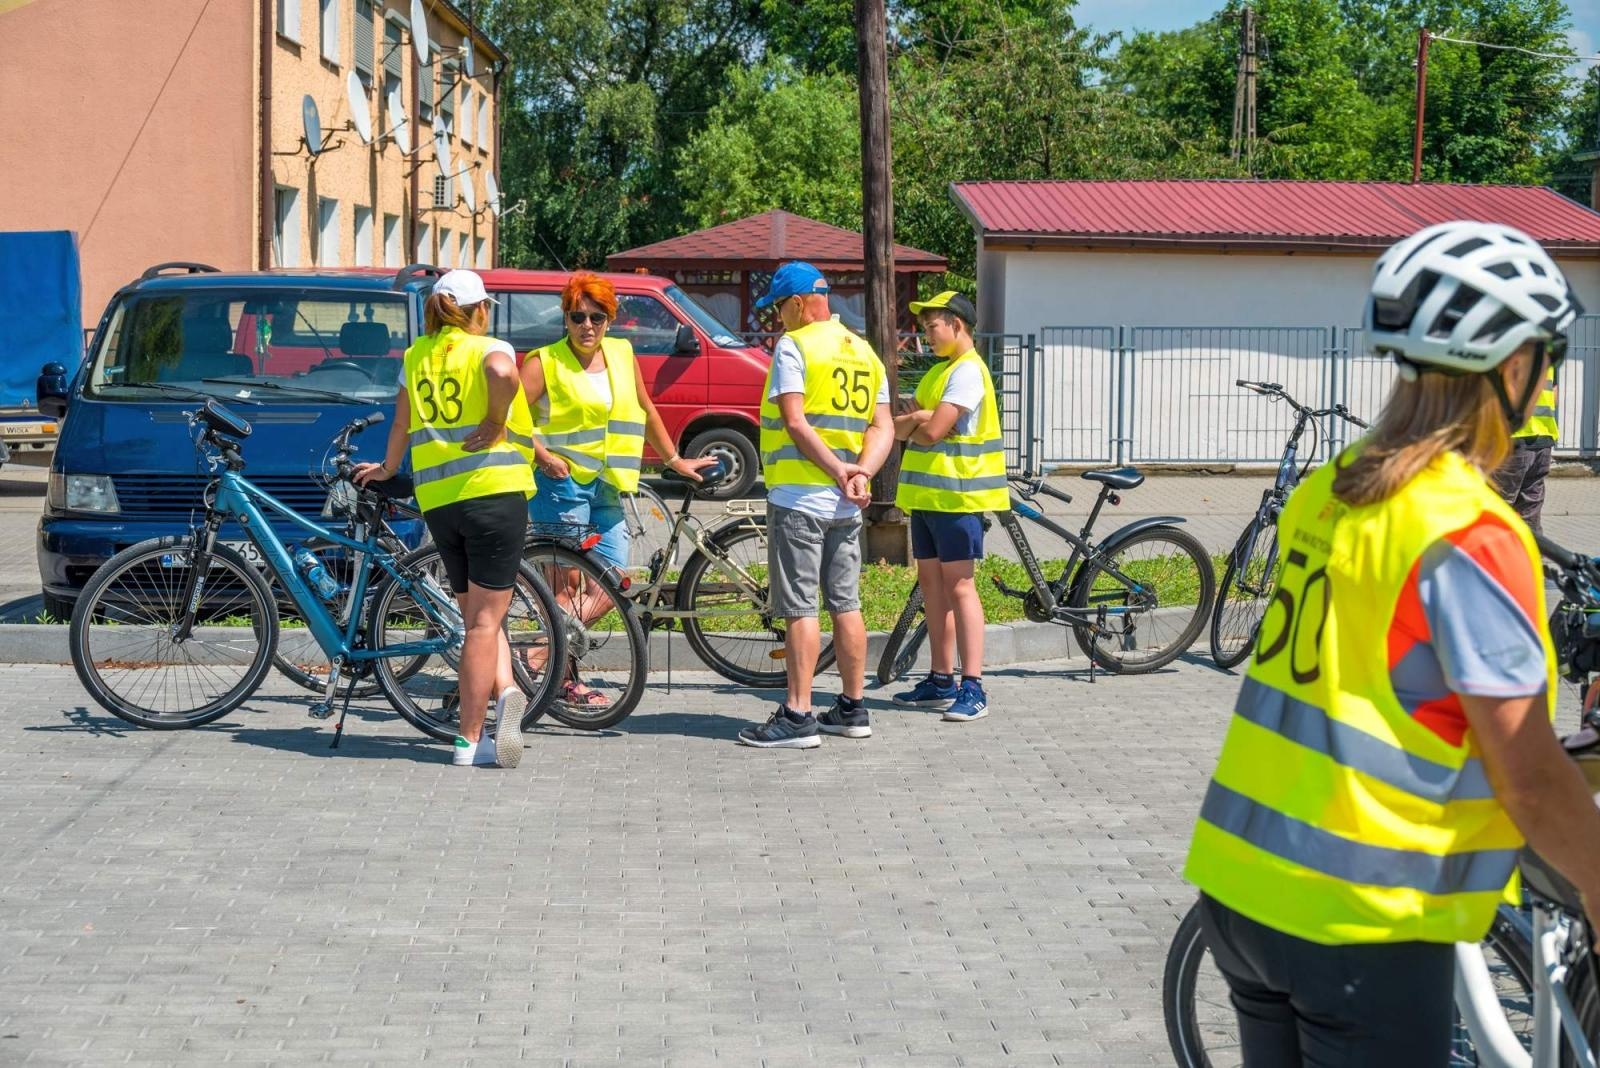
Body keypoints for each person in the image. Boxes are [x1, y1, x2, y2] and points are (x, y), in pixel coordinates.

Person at [1183, 220, 1600, 1065]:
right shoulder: (1467, 532)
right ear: (1512, 365)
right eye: (1547, 354)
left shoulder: (1332, 486)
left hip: (1242, 892)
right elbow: (1527, 772)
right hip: (1358, 922)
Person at [353, 268, 534, 768]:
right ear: (478, 310)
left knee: (479, 615)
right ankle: (469, 741)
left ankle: (507, 692)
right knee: (482, 623)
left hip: (439, 503)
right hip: (492, 493)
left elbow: (401, 423)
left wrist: (388, 470)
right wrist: (496, 420)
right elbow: (503, 373)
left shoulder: (416, 356)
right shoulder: (486, 348)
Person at [519, 271, 715, 708]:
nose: (587, 326)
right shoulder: (544, 361)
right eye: (578, 316)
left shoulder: (622, 353)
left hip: (608, 484)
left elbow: (644, 408)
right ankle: (564, 683)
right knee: (565, 589)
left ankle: (534, 657)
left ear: (611, 319)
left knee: (612, 581)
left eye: (598, 316)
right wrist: (542, 456)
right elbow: (509, 418)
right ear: (565, 319)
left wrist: (674, 459)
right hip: (560, 486)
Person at [736, 262, 894, 749]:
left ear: (799, 303)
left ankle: (798, 714)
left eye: (778, 310)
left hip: (800, 498)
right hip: (846, 506)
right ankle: (852, 706)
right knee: (846, 604)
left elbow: (796, 423)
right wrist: (860, 471)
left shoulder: (795, 345)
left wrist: (837, 471)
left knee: (800, 607)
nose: (776, 321)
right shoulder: (865, 352)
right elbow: (883, 426)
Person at [891, 291, 1006, 722]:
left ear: (957, 324)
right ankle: (941, 678)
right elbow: (904, 426)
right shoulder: (939, 373)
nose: (926, 335)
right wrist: (918, 422)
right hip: (927, 499)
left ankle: (972, 686)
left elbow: (931, 430)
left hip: (958, 498)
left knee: (960, 588)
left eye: (932, 326)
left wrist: (921, 422)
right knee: (933, 588)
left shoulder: (967, 373)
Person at [1493, 362, 1558, 531]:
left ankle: (1495, 556)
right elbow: (1554, 395)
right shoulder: (1547, 355)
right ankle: (1530, 555)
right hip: (1543, 439)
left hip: (1512, 440)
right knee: (1530, 512)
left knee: (1497, 509)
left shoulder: (1508, 350)